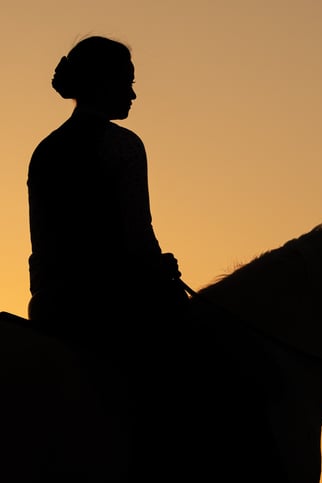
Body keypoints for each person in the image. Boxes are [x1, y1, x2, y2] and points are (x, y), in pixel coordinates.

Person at [26, 35, 191, 475]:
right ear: (105, 83)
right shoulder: (124, 145)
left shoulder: (44, 150)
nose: (134, 93)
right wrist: (161, 270)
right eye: (128, 82)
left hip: (50, 306)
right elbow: (138, 238)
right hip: (112, 309)